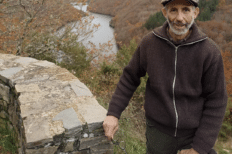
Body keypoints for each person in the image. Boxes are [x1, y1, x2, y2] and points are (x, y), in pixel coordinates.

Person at [103, 0, 228, 153]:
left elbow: (217, 100)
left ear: (195, 13)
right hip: (158, 133)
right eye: (173, 10)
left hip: (193, 135)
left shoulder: (209, 52)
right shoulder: (150, 43)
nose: (180, 18)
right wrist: (113, 114)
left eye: (186, 10)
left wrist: (199, 148)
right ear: (165, 13)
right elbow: (130, 77)